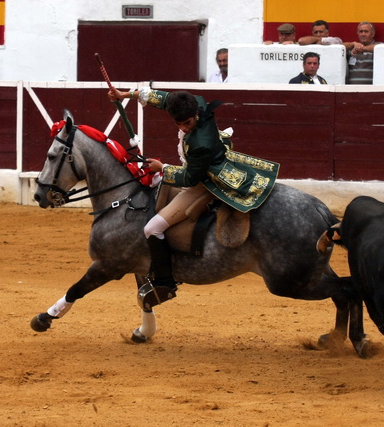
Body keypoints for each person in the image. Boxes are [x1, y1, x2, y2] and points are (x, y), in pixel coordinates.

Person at [107, 87, 279, 304]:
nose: (183, 128)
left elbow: (190, 178)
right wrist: (125, 95)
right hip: (210, 162)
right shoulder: (194, 102)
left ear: (195, 115)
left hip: (205, 180)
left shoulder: (201, 144)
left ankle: (165, 282)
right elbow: (163, 98)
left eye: (186, 123)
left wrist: (163, 168)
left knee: (152, 228)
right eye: (178, 124)